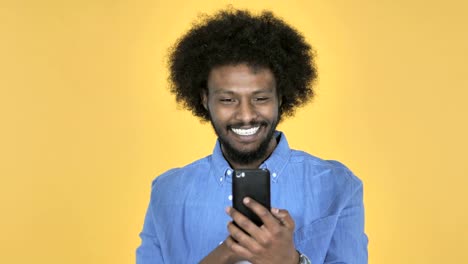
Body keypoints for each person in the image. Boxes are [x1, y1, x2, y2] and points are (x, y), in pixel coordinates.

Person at [137, 8, 368, 264]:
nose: (246, 115)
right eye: (227, 99)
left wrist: (291, 261)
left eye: (260, 98)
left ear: (281, 96)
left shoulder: (338, 185)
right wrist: (227, 252)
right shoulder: (168, 191)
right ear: (205, 99)